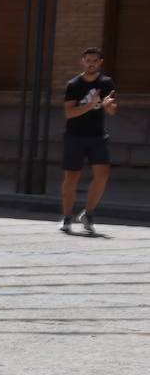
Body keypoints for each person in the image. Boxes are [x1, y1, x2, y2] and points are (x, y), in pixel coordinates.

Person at [59, 47, 117, 235]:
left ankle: (88, 214)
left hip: (98, 136)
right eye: (88, 60)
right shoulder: (74, 85)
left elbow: (111, 110)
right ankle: (67, 218)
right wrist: (91, 105)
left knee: (102, 175)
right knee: (71, 178)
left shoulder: (106, 82)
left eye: (95, 60)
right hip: (75, 136)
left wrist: (107, 106)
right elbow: (69, 113)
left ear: (100, 62)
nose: (91, 63)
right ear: (82, 62)